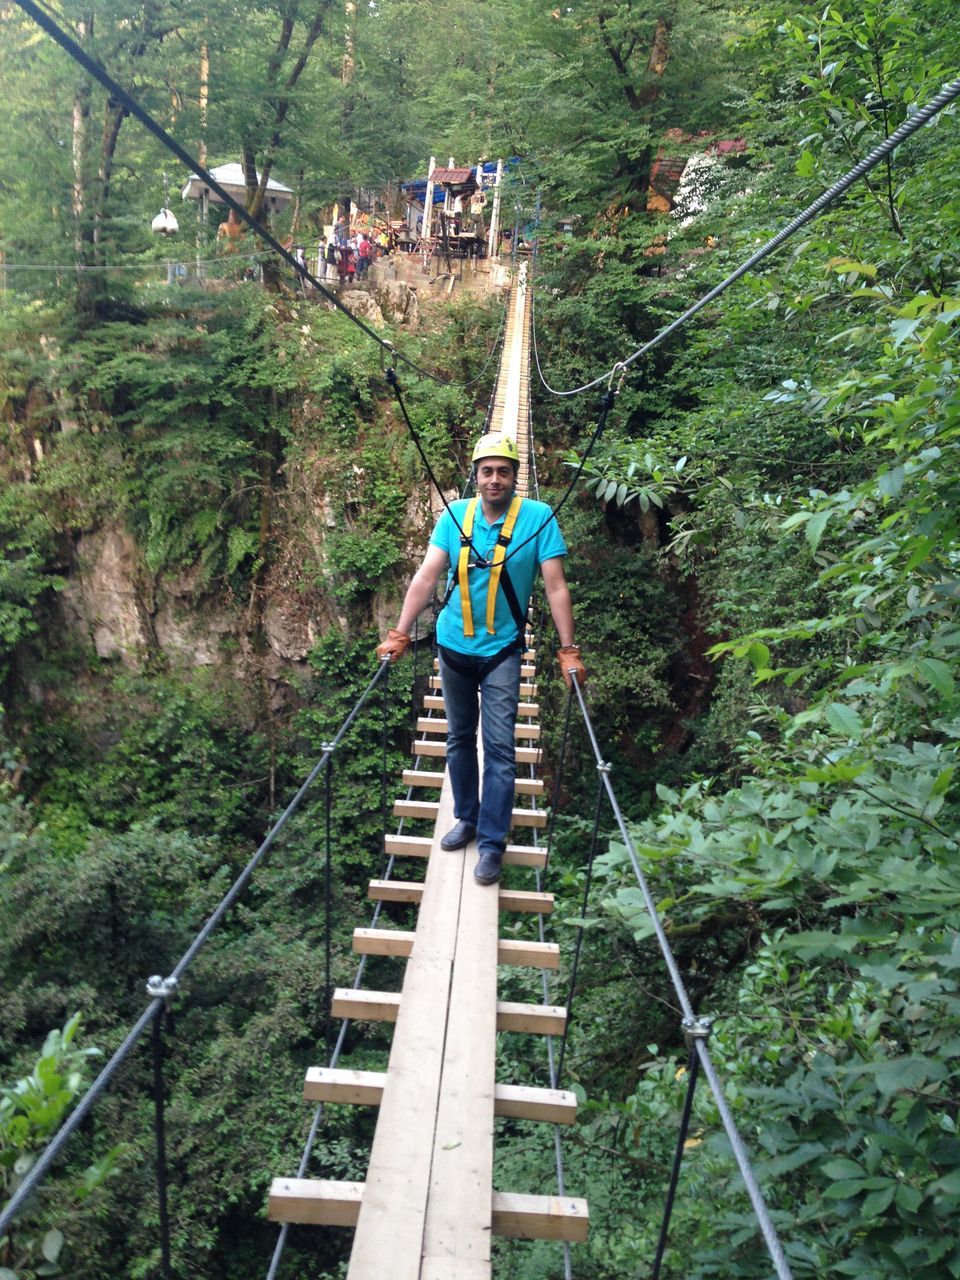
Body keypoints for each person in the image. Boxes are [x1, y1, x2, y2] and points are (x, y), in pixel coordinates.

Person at [376, 435, 587, 885]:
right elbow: (427, 574)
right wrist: (400, 632)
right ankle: (466, 819)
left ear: (516, 477)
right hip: (452, 646)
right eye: (487, 471)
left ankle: (492, 843)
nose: (495, 479)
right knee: (457, 738)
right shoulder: (455, 516)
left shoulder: (538, 518)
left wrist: (568, 647)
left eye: (504, 471)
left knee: (499, 749)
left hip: (502, 651)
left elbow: (555, 586)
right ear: (475, 474)